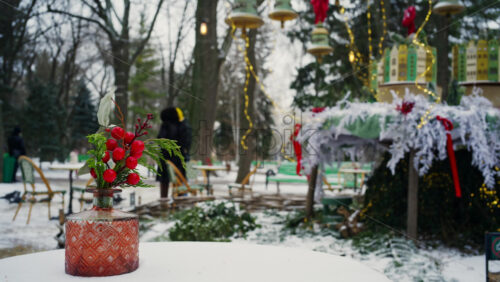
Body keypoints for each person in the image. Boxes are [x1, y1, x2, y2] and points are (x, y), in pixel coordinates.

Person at [157, 107, 192, 198]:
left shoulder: (165, 125)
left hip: (165, 157)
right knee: (180, 179)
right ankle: (179, 201)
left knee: (164, 181)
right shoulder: (183, 125)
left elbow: (160, 139)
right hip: (179, 157)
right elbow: (186, 142)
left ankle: (163, 201)